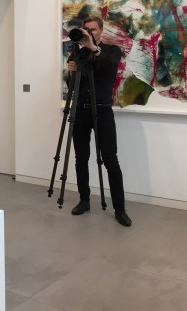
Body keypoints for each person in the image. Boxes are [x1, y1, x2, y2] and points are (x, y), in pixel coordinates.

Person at [67, 16, 132, 226]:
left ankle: (120, 208)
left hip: (102, 111)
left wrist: (93, 48)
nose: (88, 33)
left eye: (93, 29)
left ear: (101, 31)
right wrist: (71, 73)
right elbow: (72, 86)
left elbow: (110, 67)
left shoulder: (111, 51)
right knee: (81, 158)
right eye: (85, 29)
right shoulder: (78, 54)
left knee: (110, 159)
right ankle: (84, 200)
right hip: (80, 110)